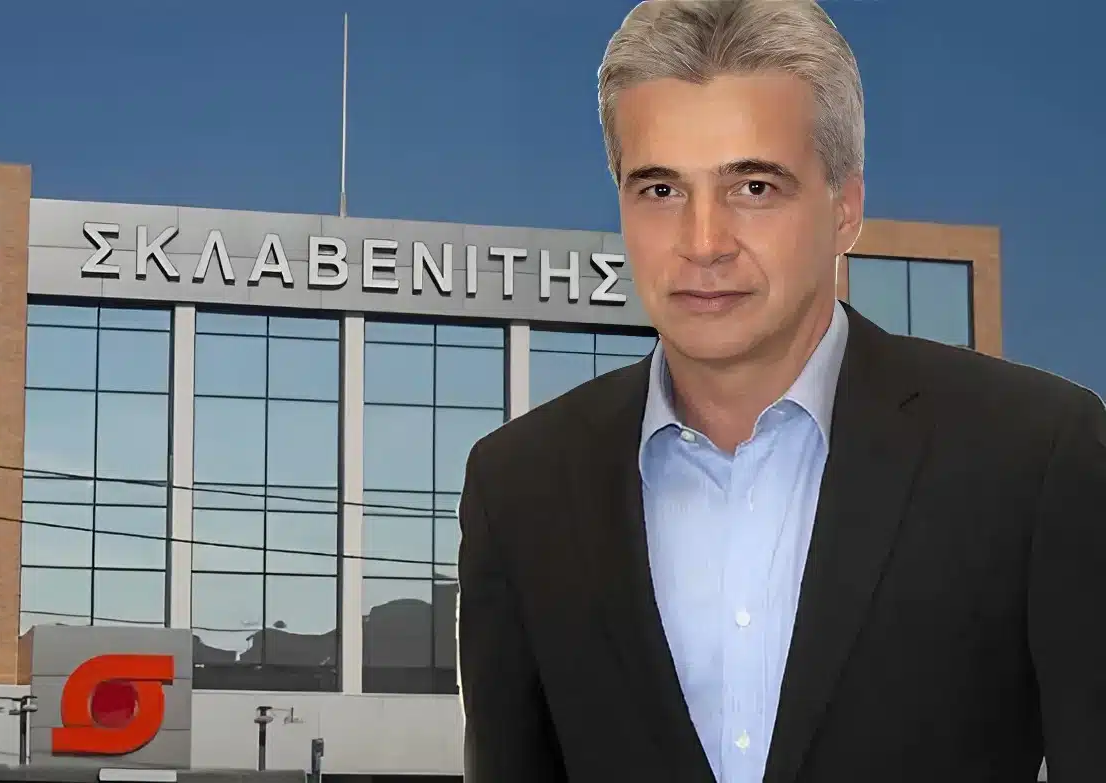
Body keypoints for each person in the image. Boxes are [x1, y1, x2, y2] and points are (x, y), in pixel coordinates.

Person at [455, 0, 1106, 781]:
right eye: (660, 190)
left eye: (754, 187)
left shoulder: (1034, 455)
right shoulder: (518, 487)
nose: (703, 243)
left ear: (846, 209)